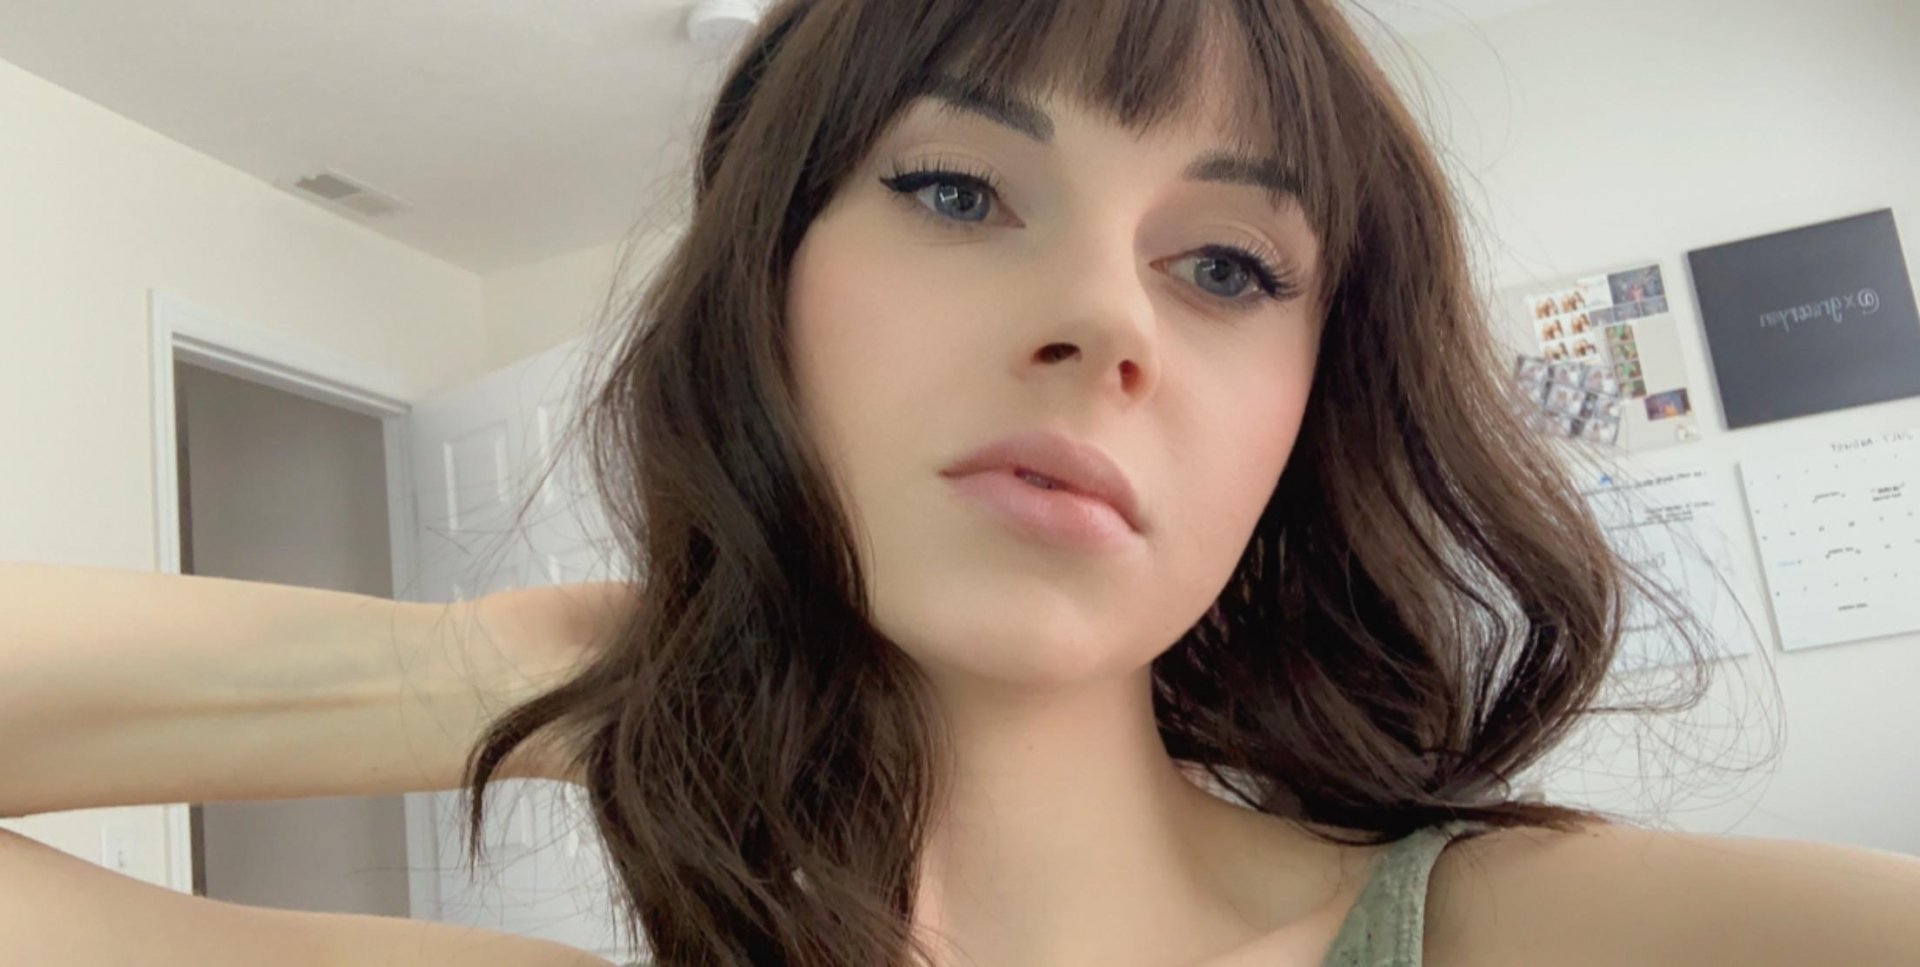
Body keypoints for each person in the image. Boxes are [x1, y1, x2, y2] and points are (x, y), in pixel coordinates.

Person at [3, 0, 1918, 964]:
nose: (1102, 315)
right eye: (952, 189)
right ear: (766, 312)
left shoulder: (1564, 940)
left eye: (1227, 263)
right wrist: (552, 672)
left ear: (1304, 419)